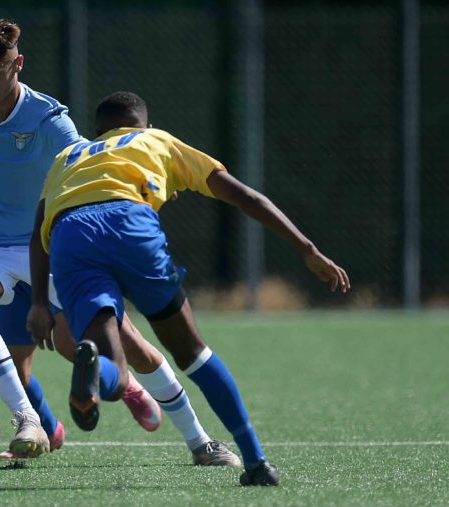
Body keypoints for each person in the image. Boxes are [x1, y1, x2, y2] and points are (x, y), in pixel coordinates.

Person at [28, 91, 351, 485]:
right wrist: (307, 248)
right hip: (129, 223)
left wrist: (39, 303)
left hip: (70, 235)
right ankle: (256, 463)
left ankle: (95, 372)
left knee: (115, 373)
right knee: (193, 352)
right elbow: (245, 196)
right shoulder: (157, 139)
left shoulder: (68, 156)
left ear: (98, 133)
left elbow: (37, 232)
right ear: (144, 125)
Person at [0, 19, 163, 459]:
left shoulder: (49, 118)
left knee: (92, 345)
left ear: (18, 64)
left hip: (46, 245)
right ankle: (36, 425)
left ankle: (133, 389)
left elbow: (85, 165)